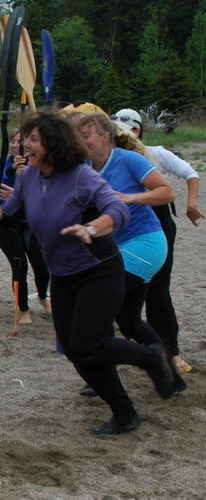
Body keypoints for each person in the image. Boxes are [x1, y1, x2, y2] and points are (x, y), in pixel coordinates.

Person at [0, 110, 174, 435]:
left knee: (90, 343)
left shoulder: (82, 176)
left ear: (54, 144)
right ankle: (125, 413)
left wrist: (92, 229)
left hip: (98, 270)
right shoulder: (28, 176)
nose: (25, 144)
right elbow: (7, 217)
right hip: (63, 274)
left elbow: (118, 209)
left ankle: (151, 357)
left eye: (34, 139)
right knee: (73, 348)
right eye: (25, 138)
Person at [77, 114, 184, 391]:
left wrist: (130, 198)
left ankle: (101, 370)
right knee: (129, 320)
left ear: (104, 136)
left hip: (146, 243)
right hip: (119, 246)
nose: (82, 140)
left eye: (86, 134)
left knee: (97, 306)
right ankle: (171, 374)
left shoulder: (128, 160)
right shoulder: (85, 168)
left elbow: (167, 192)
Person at [112, 108, 203, 374]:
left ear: (136, 130)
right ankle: (131, 348)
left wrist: (192, 204)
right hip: (121, 228)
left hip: (157, 229)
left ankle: (170, 352)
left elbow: (190, 173)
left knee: (158, 290)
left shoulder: (156, 153)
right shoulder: (106, 159)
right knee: (114, 291)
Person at [0, 130, 51, 322]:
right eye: (14, 142)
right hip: (7, 223)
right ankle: (22, 308)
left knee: (41, 265)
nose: (17, 145)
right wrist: (11, 172)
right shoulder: (0, 164)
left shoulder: (38, 165)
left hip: (30, 222)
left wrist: (28, 176)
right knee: (19, 265)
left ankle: (42, 296)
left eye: (20, 142)